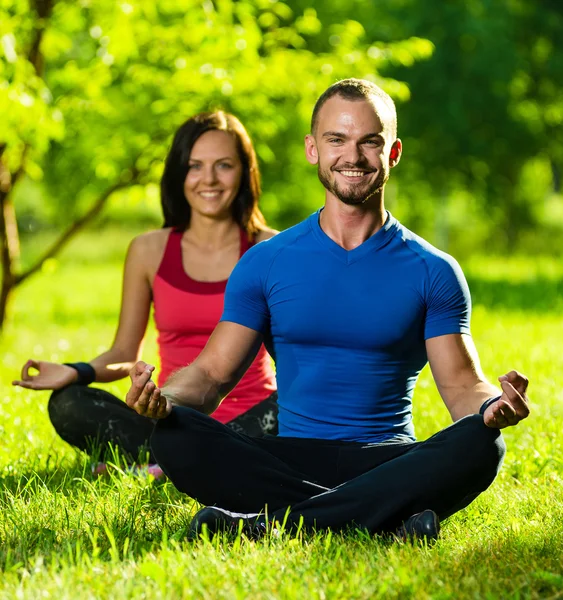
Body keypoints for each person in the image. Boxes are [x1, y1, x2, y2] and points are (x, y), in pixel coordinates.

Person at [124, 79, 530, 540]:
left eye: (369, 142)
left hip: (387, 458)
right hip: (290, 455)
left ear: (393, 153)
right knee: (176, 436)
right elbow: (213, 376)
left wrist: (492, 406)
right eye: (336, 140)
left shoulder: (433, 270)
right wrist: (167, 400)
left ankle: (266, 526)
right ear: (312, 149)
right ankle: (384, 522)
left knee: (482, 443)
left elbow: (460, 386)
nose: (352, 157)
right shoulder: (265, 262)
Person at [12, 111, 278, 468]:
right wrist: (77, 372)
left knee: (297, 403)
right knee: (68, 402)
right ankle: (177, 462)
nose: (209, 179)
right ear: (178, 174)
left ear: (245, 172)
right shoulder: (148, 250)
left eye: (224, 165)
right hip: (172, 416)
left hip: (254, 423)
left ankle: (157, 465)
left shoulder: (271, 249)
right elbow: (123, 351)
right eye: (195, 165)